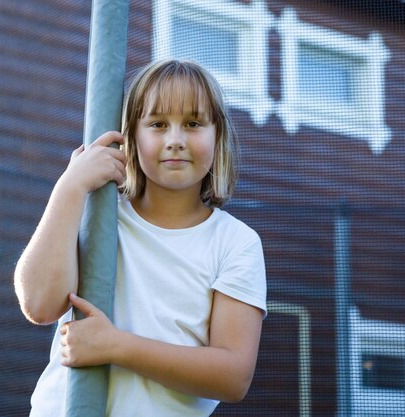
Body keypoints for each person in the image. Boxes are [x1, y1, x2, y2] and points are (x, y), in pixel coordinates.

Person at [14, 59, 267, 417]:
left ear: (218, 135)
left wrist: (116, 346)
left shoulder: (235, 242)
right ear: (131, 136)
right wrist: (69, 186)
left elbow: (233, 375)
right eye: (158, 124)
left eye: (193, 124)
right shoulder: (98, 213)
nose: (175, 140)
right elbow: (38, 304)